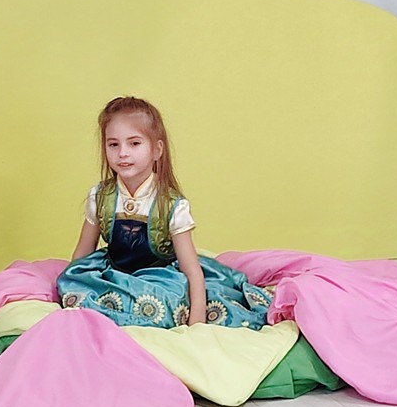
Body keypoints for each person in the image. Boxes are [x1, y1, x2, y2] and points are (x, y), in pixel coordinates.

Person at [58, 96, 271, 329]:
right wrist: (70, 284)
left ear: (156, 149)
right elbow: (82, 253)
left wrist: (196, 323)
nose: (123, 153)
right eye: (113, 144)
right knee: (82, 302)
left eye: (134, 143)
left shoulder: (171, 205)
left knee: (158, 308)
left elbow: (191, 269)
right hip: (114, 274)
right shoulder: (100, 197)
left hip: (159, 279)